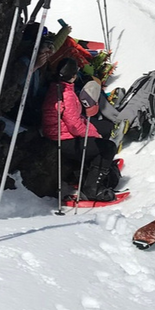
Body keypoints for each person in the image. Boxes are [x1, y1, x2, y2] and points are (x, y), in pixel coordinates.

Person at [42, 58, 120, 202]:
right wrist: (94, 134)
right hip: (64, 139)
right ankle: (92, 188)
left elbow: (73, 119)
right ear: (72, 75)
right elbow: (74, 125)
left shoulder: (58, 86)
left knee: (105, 128)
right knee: (108, 147)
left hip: (63, 133)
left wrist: (92, 129)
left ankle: (92, 169)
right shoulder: (67, 95)